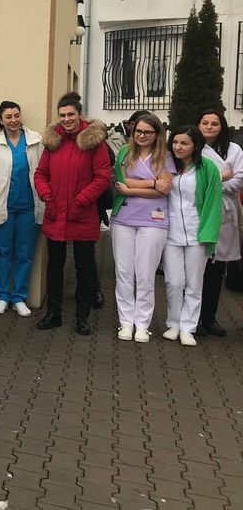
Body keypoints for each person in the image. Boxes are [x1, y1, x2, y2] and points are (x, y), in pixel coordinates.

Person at [33, 92, 111, 336]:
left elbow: (102, 177)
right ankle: (53, 313)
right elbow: (41, 174)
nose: (66, 119)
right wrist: (47, 195)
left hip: (82, 214)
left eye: (71, 114)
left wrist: (80, 200)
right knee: (54, 265)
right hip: (56, 212)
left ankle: (82, 316)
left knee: (84, 267)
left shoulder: (93, 142)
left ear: (79, 115)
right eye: (62, 115)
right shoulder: (53, 142)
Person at [110, 113, 174, 342]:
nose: (142, 135)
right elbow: (120, 182)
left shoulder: (165, 156)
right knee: (124, 273)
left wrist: (130, 189)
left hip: (153, 221)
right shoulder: (125, 152)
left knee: (145, 275)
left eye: (148, 132)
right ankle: (126, 322)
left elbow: (164, 190)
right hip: (123, 219)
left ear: (157, 134)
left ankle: (142, 324)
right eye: (138, 131)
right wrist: (152, 183)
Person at [162, 126, 223, 347]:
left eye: (184, 143)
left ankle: (188, 326)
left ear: (195, 146)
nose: (178, 147)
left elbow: (214, 202)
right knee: (173, 281)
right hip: (171, 233)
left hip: (198, 234)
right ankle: (174, 323)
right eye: (175, 142)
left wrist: (209, 234)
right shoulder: (168, 165)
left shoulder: (208, 168)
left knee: (194, 283)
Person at [0, 101, 43, 317]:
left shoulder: (35, 140)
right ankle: (2, 296)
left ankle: (19, 297)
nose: (13, 120)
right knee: (3, 252)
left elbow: (42, 170)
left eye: (16, 115)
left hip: (29, 206)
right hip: (3, 206)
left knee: (24, 254)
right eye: (8, 117)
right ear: (1, 120)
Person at [196, 108, 243, 337]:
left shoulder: (234, 150)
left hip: (224, 210)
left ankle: (209, 318)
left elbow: (239, 178)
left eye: (214, 123)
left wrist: (212, 184)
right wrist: (221, 177)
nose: (209, 127)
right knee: (194, 270)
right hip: (198, 210)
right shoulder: (192, 147)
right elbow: (190, 179)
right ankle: (191, 319)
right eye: (205, 123)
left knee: (215, 271)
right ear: (198, 125)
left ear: (222, 126)